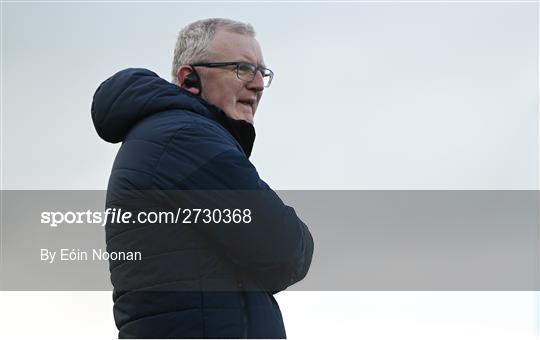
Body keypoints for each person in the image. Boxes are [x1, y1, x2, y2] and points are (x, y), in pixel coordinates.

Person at [91, 18, 313, 339]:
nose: (257, 84)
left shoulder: (170, 135)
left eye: (261, 72)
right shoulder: (185, 138)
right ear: (189, 79)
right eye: (241, 68)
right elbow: (286, 248)